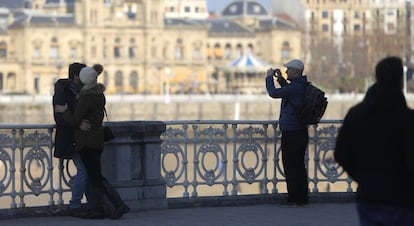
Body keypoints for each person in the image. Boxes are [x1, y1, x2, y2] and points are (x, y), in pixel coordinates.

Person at [334, 56, 414, 226]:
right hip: (403, 199)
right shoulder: (407, 119)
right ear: (400, 80)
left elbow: (341, 153)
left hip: (369, 197)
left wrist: (363, 178)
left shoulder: (355, 114)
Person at [56, 65, 130, 220]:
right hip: (97, 140)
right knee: (94, 175)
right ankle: (106, 207)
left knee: (96, 177)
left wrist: (65, 112)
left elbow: (75, 119)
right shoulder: (99, 94)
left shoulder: (86, 97)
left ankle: (111, 206)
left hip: (87, 141)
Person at [265, 59, 309, 207]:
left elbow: (274, 93)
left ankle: (294, 199)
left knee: (291, 166)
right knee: (298, 166)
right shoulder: (300, 86)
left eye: (288, 70)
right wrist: (281, 79)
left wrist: (269, 77)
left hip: (292, 132)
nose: (286, 71)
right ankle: (302, 198)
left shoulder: (295, 88)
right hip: (300, 131)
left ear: (296, 72)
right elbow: (289, 92)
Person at [53, 62, 94, 218]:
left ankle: (91, 203)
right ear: (77, 76)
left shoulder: (82, 91)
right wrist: (78, 122)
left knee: (88, 170)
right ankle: (75, 204)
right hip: (70, 137)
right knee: (84, 170)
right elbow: (59, 117)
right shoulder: (63, 91)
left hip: (82, 137)